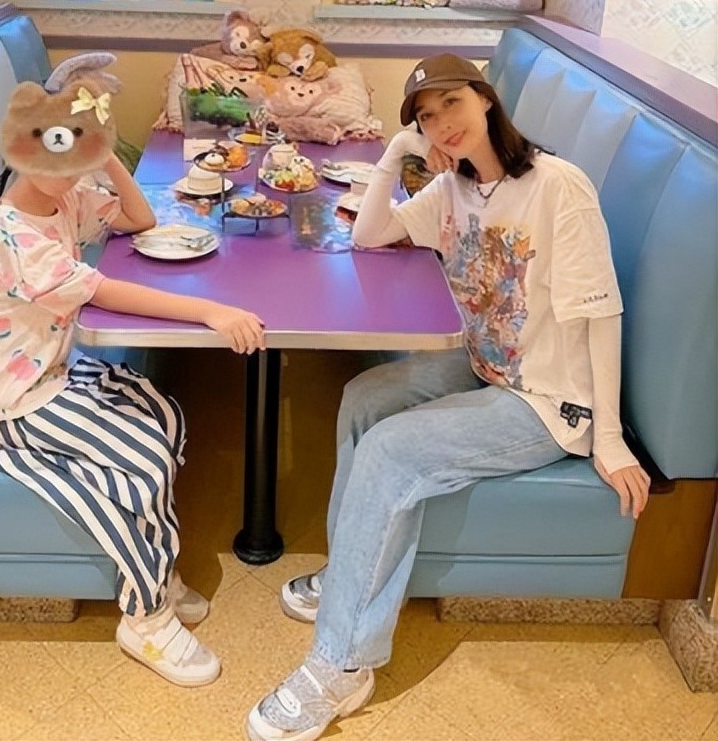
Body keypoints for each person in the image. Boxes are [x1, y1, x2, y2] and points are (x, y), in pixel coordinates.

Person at [246, 53, 650, 741]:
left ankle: (343, 661)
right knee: (364, 397)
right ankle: (349, 572)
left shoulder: (558, 185)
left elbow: (601, 312)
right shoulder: (456, 187)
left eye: (453, 104)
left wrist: (608, 438)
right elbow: (371, 233)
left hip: (550, 399)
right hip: (487, 364)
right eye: (428, 117)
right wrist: (396, 151)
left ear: (486, 99)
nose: (443, 124)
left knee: (389, 450)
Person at [0, 53, 264, 688]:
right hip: (5, 400)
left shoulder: (60, 197)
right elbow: (105, 292)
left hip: (53, 371)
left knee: (165, 416)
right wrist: (210, 310)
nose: (70, 171)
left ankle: (155, 567)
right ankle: (145, 616)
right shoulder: (12, 235)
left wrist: (106, 156)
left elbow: (140, 219)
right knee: (142, 460)